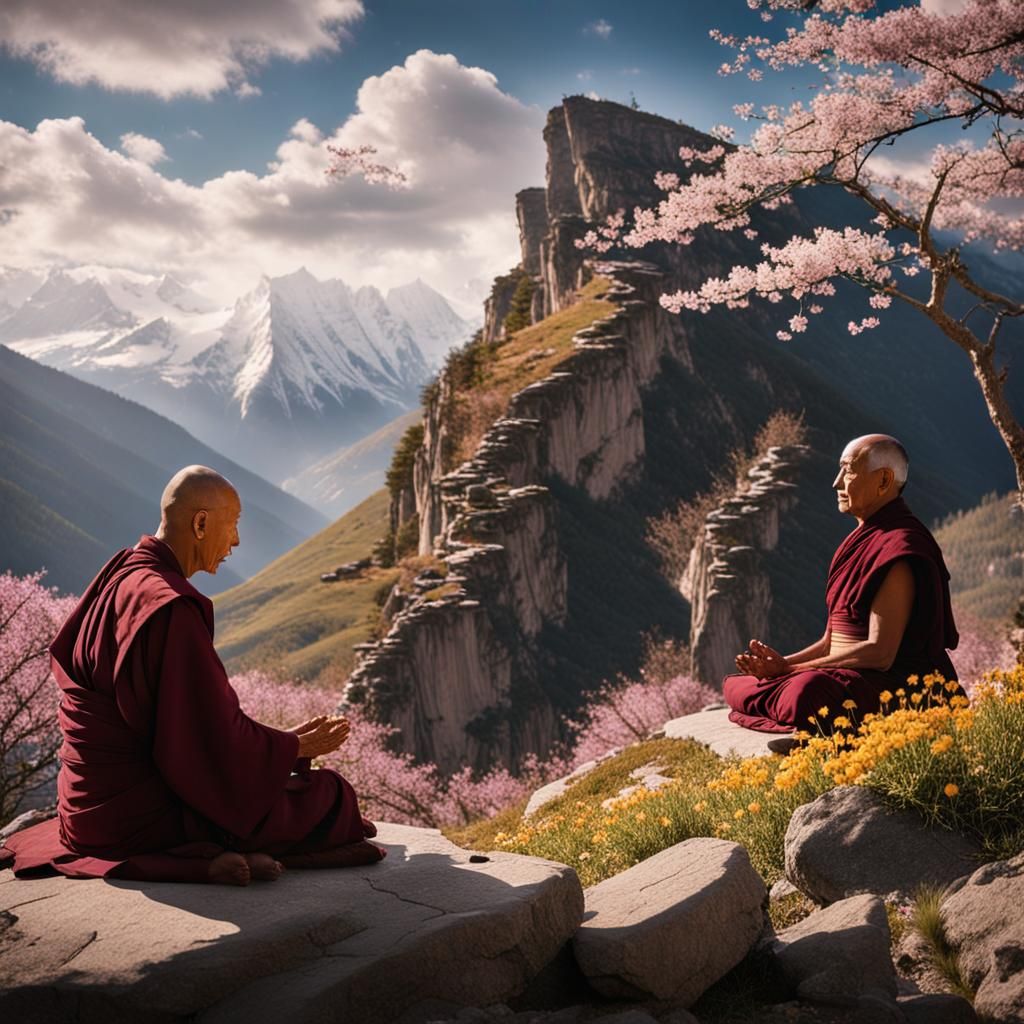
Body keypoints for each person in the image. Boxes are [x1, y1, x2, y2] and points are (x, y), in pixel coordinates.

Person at [0, 466, 384, 886]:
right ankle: (196, 858)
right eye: (233, 525)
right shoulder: (169, 608)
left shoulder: (120, 573)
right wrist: (290, 748)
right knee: (330, 796)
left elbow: (188, 726)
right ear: (200, 523)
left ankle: (206, 857)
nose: (236, 541)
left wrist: (276, 743)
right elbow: (205, 744)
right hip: (136, 821)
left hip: (82, 808)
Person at [723, 434, 962, 738]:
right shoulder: (857, 542)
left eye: (848, 470)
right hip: (849, 674)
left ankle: (810, 721)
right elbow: (831, 640)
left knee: (806, 691)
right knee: (736, 684)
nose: (836, 483)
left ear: (884, 480)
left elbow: (880, 653)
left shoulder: (901, 547)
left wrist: (793, 672)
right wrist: (783, 665)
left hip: (894, 684)